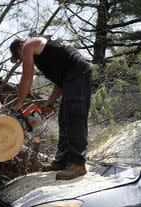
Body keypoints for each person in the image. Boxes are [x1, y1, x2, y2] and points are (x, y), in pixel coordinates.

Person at [9, 37, 91, 180]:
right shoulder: (47, 56)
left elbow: (27, 76)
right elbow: (60, 82)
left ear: (21, 46)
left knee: (74, 116)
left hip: (78, 73)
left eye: (18, 56)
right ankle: (62, 161)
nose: (21, 60)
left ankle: (78, 164)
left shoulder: (28, 45)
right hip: (70, 77)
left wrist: (20, 102)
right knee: (64, 119)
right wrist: (50, 101)